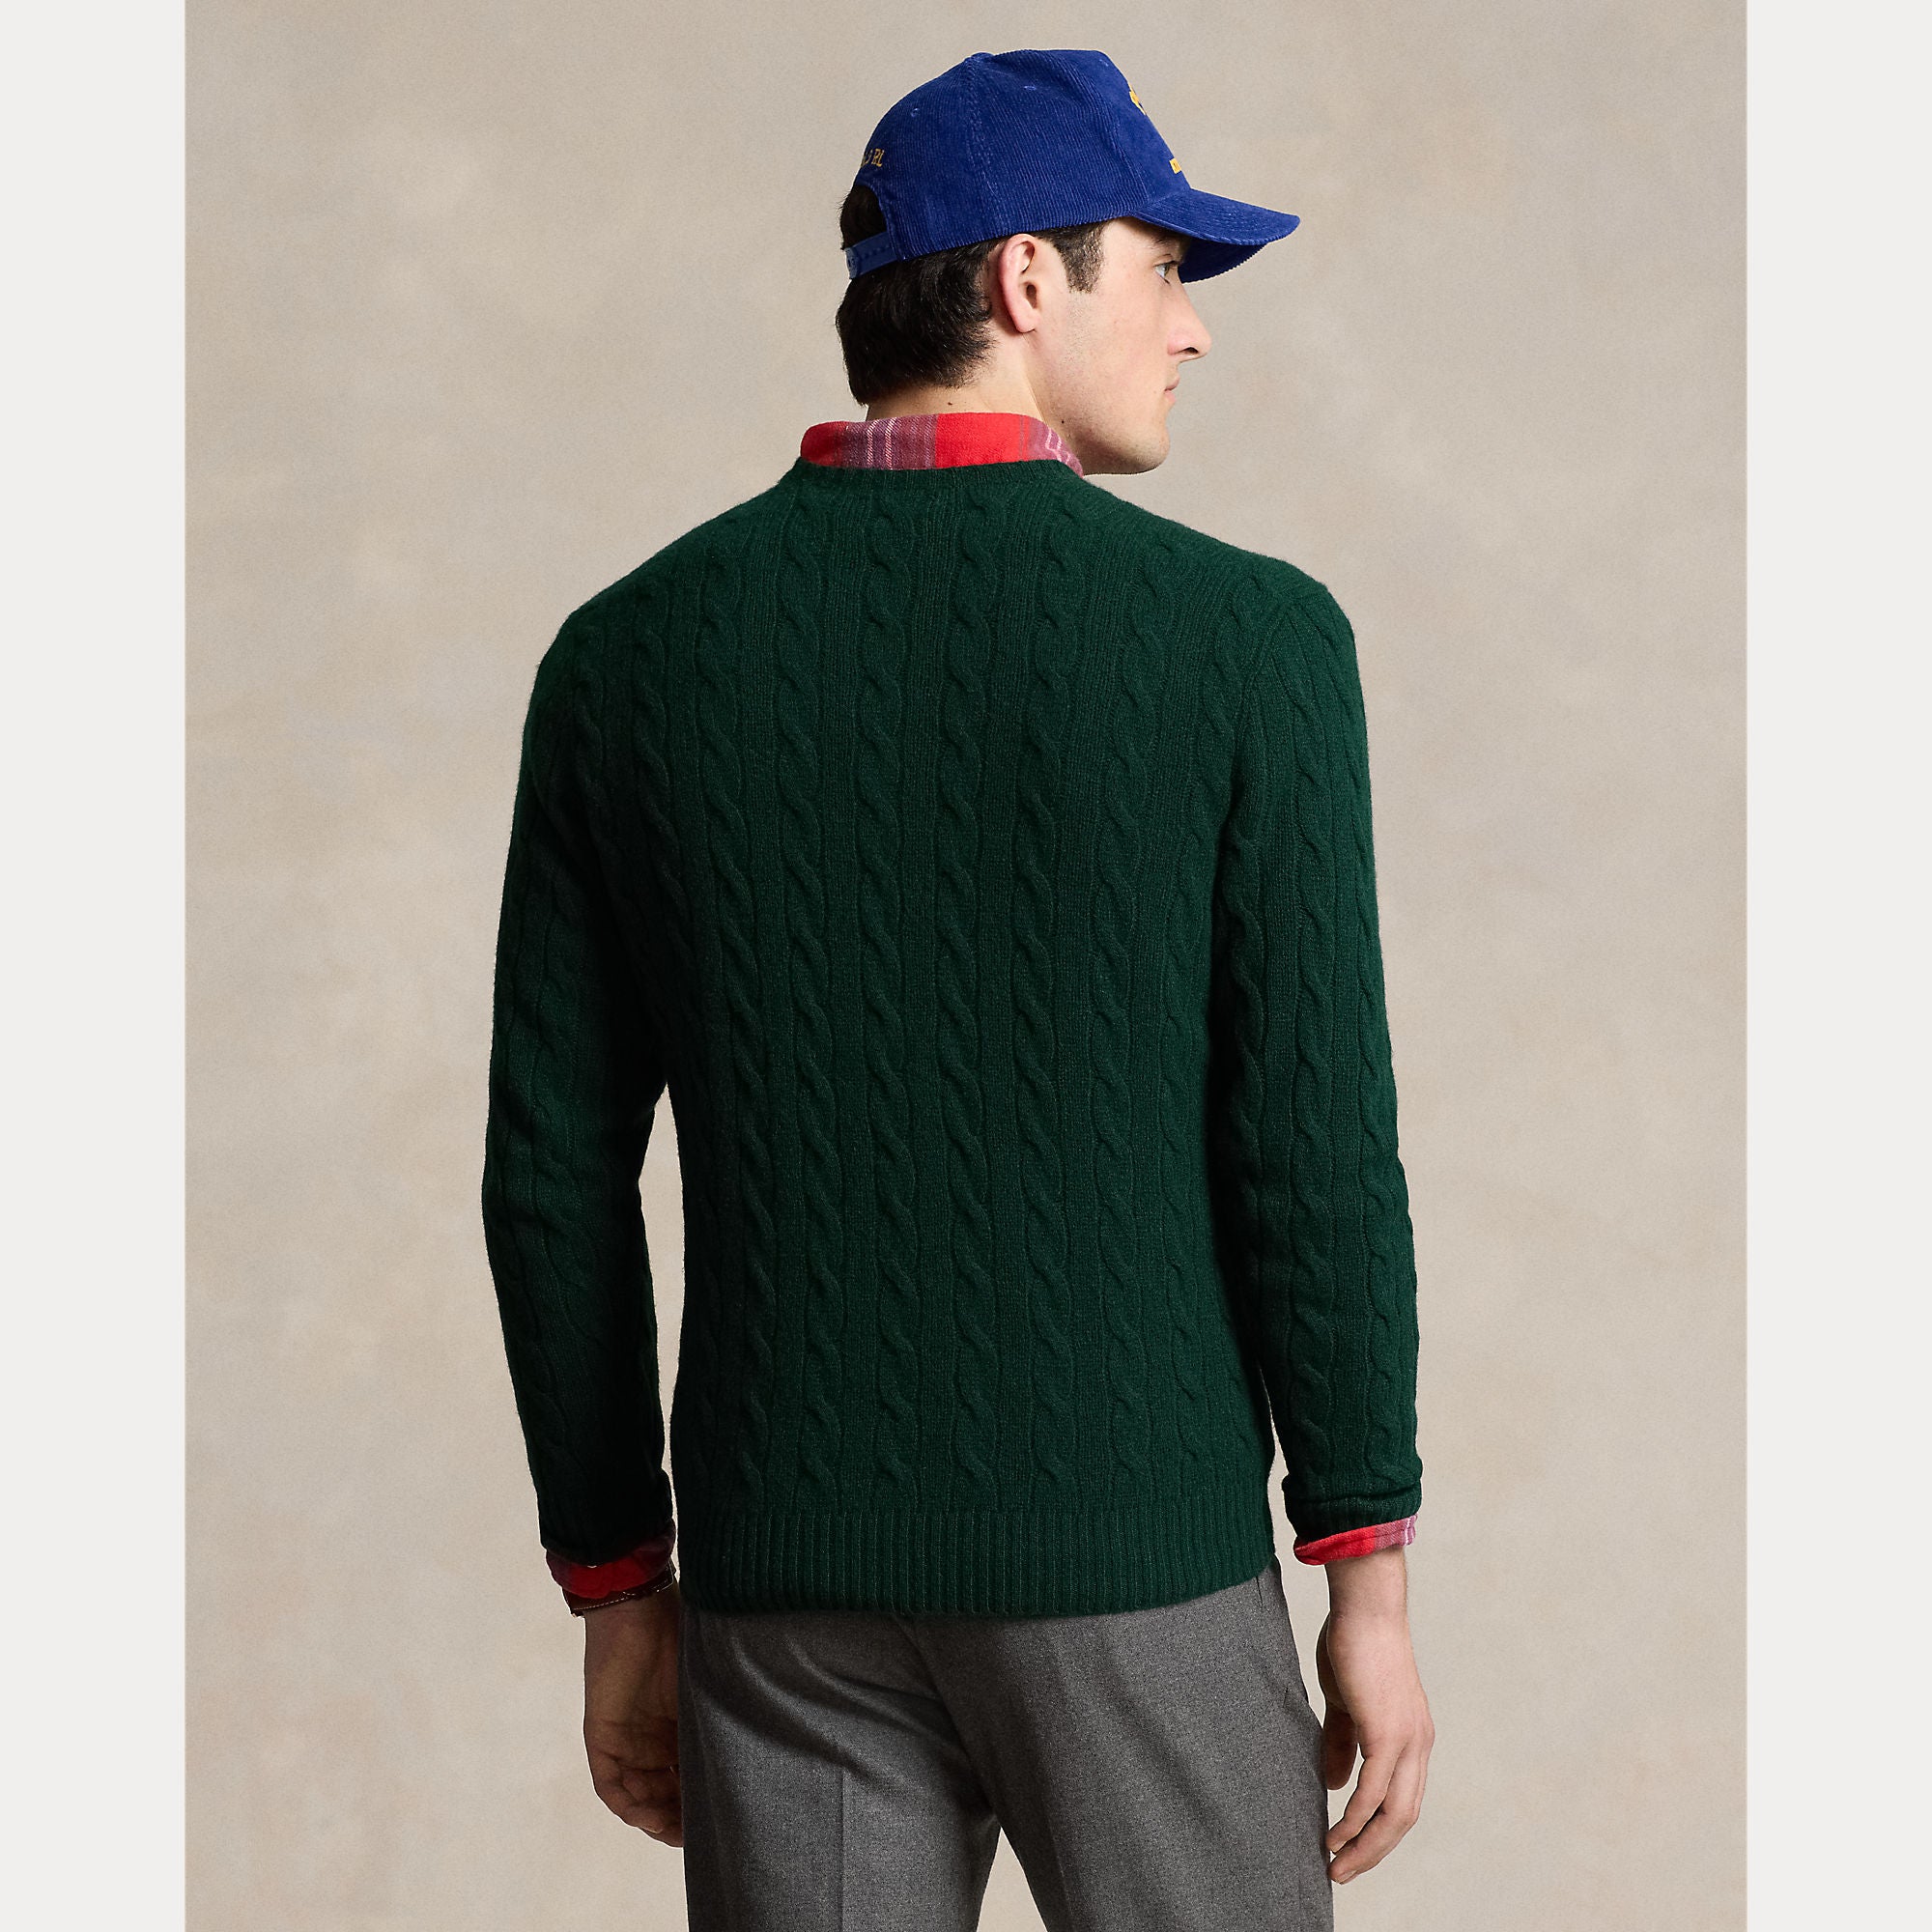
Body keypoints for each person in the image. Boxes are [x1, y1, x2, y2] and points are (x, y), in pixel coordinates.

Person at [481, 46, 1433, 1932]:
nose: (1192, 326)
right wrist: (1367, 1581)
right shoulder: (1248, 644)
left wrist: (620, 1589)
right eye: (1164, 268)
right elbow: (1312, 1148)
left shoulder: (624, 659)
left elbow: (553, 1181)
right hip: (1135, 1563)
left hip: (782, 1586)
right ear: (1025, 279)